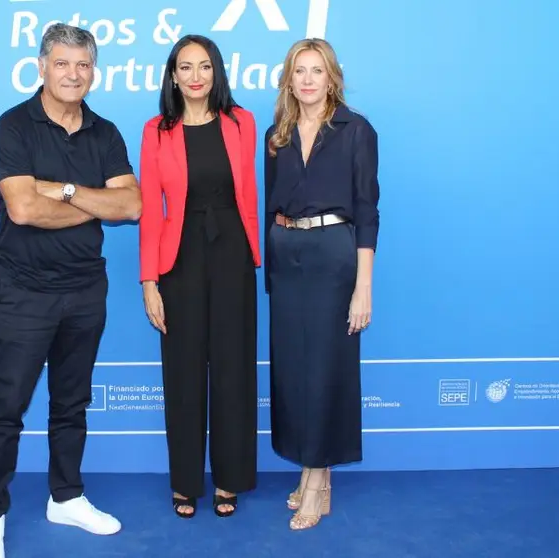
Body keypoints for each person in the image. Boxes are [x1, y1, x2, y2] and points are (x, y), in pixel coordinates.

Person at [0, 23, 142, 558]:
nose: (73, 74)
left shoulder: (106, 133)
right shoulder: (14, 126)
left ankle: (65, 497)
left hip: (86, 290)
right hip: (23, 292)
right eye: (62, 63)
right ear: (41, 66)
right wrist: (91, 202)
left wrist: (63, 191)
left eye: (83, 65)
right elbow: (22, 209)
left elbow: (131, 207)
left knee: (72, 403)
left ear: (94, 71)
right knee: (6, 408)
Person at [138, 34, 261, 519]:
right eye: (185, 67)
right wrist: (150, 281)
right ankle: (186, 481)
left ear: (217, 73)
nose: (195, 76)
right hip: (179, 257)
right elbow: (150, 210)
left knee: (232, 369)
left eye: (204, 66)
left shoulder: (241, 122)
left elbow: (250, 193)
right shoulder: (156, 130)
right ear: (173, 75)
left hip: (232, 251)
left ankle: (230, 478)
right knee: (184, 372)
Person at [263, 38, 380, 531]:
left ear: (332, 77)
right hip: (286, 254)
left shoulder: (357, 131)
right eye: (299, 71)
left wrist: (363, 287)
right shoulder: (276, 135)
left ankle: (315, 480)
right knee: (293, 371)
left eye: (317, 71)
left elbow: (369, 212)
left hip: (334, 256)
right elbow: (270, 202)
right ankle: (318, 476)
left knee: (325, 369)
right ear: (289, 79)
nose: (308, 80)